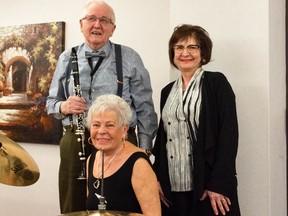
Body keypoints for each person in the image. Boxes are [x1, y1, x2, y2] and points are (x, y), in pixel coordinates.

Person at [46, 0, 157, 213]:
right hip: (75, 139)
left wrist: (144, 149)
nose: (97, 25)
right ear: (81, 25)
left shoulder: (130, 57)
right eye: (91, 19)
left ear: (113, 28)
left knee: (120, 204)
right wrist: (64, 106)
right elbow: (51, 103)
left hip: (121, 139)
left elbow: (145, 108)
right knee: (73, 204)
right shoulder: (66, 58)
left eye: (104, 20)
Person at [152, 24, 241, 216]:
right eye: (179, 47)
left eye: (192, 47)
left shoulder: (217, 83)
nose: (185, 53)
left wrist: (218, 183)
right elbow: (162, 138)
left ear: (203, 53)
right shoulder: (167, 91)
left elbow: (229, 135)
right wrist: (157, 178)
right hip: (172, 187)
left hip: (208, 184)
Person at [85, 94, 161, 215]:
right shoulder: (92, 159)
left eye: (110, 125)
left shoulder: (139, 164)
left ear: (124, 129)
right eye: (96, 125)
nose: (101, 131)